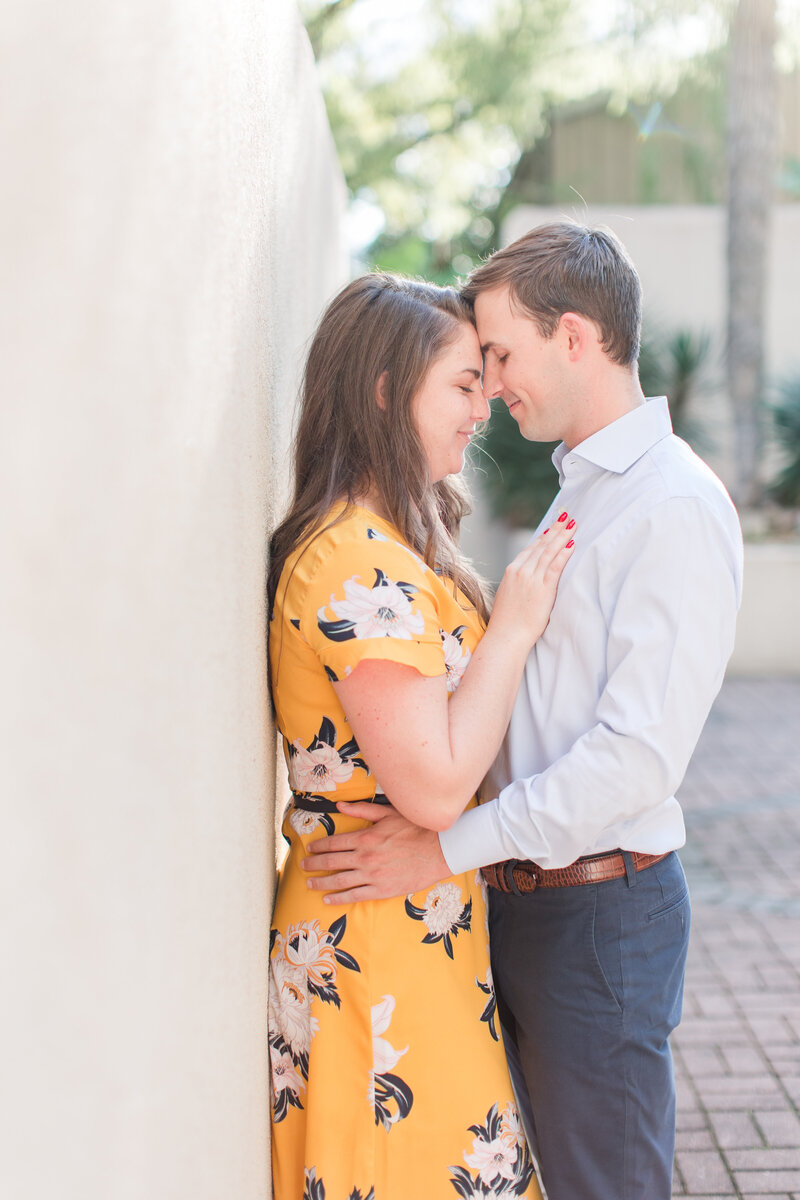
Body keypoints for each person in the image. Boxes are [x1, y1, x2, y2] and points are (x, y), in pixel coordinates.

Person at [302, 223, 744, 1200]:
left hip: (597, 917)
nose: (492, 383)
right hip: (529, 904)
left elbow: (632, 762)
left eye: (500, 353)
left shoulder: (669, 505)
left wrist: (443, 847)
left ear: (574, 337)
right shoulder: (582, 492)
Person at [267, 272, 577, 1200]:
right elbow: (436, 789)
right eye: (460, 384)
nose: (482, 407)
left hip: (409, 925)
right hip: (374, 939)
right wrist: (515, 624)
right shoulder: (356, 560)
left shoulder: (390, 545)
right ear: (379, 390)